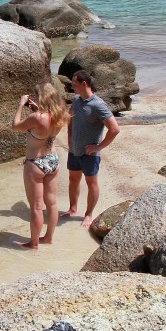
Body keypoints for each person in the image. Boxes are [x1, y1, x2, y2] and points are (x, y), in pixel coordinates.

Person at [12, 81, 69, 249]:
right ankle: (48, 237)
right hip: (52, 160)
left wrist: (21, 105)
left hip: (35, 163)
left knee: (36, 207)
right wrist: (37, 109)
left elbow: (15, 126)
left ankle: (34, 243)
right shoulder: (60, 114)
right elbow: (45, 121)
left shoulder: (37, 118)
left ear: (41, 97)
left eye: (36, 95)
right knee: (51, 203)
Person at [62, 70, 120, 229]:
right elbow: (70, 120)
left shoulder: (98, 105)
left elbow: (114, 129)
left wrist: (98, 147)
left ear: (84, 84)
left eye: (74, 84)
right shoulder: (76, 101)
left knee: (91, 183)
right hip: (74, 150)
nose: (72, 87)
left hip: (90, 153)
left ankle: (88, 214)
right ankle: (72, 208)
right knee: (73, 180)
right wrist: (69, 138)